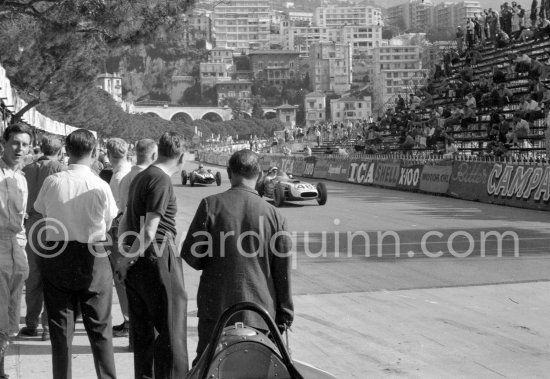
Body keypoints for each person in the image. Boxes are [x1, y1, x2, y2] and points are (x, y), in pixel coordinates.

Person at [181, 149, 294, 365]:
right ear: (259, 175)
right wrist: (285, 315)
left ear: (228, 173)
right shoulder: (275, 216)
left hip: (217, 311)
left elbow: (192, 258)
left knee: (210, 367)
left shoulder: (210, 205)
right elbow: (283, 273)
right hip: (261, 315)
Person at [34, 129, 118, 379]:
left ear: (66, 151)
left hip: (58, 255)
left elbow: (42, 212)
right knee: (101, 330)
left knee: (60, 332)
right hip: (94, 256)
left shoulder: (53, 181)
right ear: (94, 153)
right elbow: (109, 219)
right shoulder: (100, 184)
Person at [116, 132, 188, 379]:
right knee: (170, 331)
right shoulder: (161, 180)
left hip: (138, 262)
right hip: (158, 257)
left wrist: (125, 256)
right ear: (182, 157)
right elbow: (149, 231)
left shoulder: (140, 177)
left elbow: (126, 220)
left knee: (143, 334)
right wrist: (128, 259)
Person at [19, 135, 65, 342]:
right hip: (54, 224)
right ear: (60, 150)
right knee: (53, 276)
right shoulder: (61, 170)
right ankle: (48, 326)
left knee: (33, 275)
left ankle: (31, 323)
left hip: (31, 224)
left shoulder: (27, 169)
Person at [0, 123, 32, 378]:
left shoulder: (21, 178)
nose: (19, 149)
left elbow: (21, 220)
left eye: (24, 144)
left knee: (10, 311)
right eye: (15, 143)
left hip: (15, 251)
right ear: (4, 143)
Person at [105, 138, 132, 339]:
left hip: (118, 229)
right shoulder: (126, 171)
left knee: (120, 276)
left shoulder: (118, 176)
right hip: (125, 228)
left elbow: (118, 208)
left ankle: (128, 320)